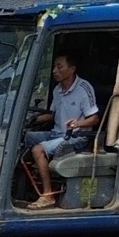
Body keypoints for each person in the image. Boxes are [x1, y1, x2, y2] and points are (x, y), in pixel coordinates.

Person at [22, 53, 98, 209]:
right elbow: (52, 115)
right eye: (54, 66)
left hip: (77, 136)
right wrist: (30, 120)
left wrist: (78, 123)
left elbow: (94, 119)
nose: (54, 71)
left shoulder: (84, 88)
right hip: (56, 133)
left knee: (38, 149)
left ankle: (48, 194)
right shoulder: (57, 89)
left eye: (59, 66)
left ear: (72, 69)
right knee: (23, 137)